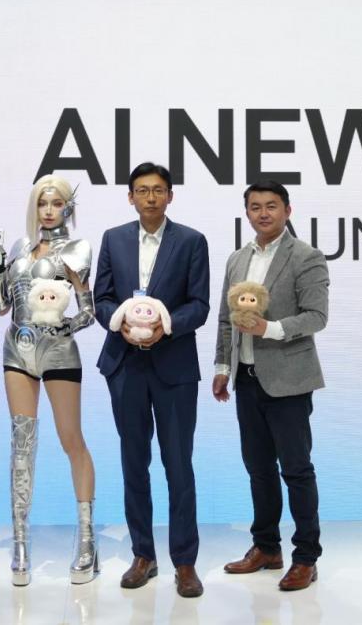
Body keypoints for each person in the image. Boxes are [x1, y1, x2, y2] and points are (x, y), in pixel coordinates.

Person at [94, 162, 209, 598]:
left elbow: (199, 304)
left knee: (179, 465)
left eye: (158, 190)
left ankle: (185, 561)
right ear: (130, 197)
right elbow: (102, 298)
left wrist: (167, 325)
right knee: (133, 462)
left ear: (170, 196)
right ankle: (143, 554)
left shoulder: (192, 241)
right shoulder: (113, 239)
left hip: (174, 366)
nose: (150, 197)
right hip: (125, 365)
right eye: (142, 190)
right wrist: (120, 322)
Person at [0, 174, 98, 586]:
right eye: (43, 203)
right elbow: (1, 306)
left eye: (56, 203)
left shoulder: (77, 249)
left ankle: (87, 539)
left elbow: (88, 311)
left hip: (58, 350)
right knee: (21, 443)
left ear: (68, 207)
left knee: (71, 439)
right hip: (17, 348)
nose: (49, 210)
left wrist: (66, 327)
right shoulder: (18, 248)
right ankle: (20, 544)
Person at [212, 179, 328, 592]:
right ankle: (266, 547)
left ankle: (306, 557)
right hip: (246, 379)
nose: (263, 213)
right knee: (258, 469)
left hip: (289, 381)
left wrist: (270, 328)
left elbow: (316, 316)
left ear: (287, 211)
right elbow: (226, 319)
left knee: (296, 470)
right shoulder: (237, 259)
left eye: (272, 206)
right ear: (247, 212)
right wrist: (222, 366)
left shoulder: (306, 256)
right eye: (256, 206)